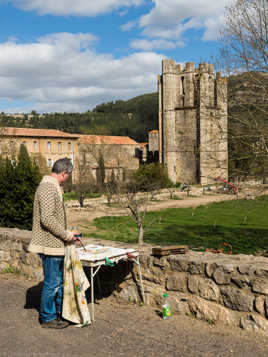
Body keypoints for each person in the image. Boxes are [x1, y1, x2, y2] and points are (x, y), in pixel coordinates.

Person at [28, 157, 79, 329]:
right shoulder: (48, 188)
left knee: (56, 282)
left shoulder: (50, 187)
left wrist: (69, 233)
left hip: (56, 244)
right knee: (52, 283)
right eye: (68, 175)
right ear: (64, 173)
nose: (67, 178)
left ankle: (58, 314)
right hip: (51, 246)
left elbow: (52, 217)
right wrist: (66, 235)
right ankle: (48, 318)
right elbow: (47, 219)